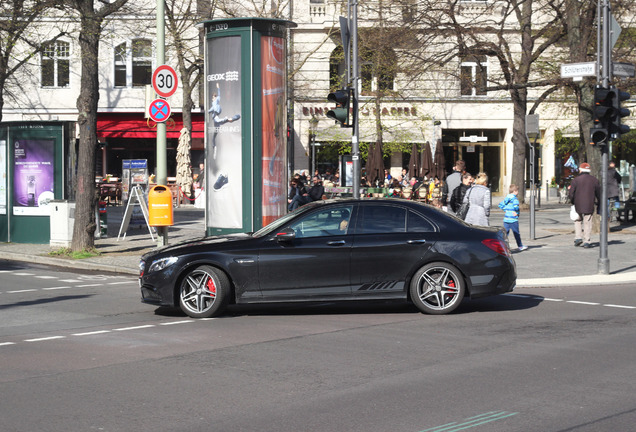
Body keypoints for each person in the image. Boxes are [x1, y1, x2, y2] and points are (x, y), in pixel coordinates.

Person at [568, 162, 600, 248]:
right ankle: (587, 241)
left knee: (577, 220)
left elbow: (571, 193)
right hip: (589, 203)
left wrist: (572, 201)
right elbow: (599, 193)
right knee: (587, 221)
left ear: (580, 169)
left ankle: (578, 237)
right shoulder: (594, 180)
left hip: (577, 204)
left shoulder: (576, 180)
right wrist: (599, 203)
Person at [209, 82, 240, 159]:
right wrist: (218, 87)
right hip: (216, 120)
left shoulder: (215, 102)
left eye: (213, 97)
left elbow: (212, 108)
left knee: (219, 121)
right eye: (213, 97)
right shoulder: (216, 101)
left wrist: (208, 111)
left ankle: (228, 118)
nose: (213, 98)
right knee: (214, 135)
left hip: (216, 118)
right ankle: (214, 147)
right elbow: (219, 95)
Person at [499, 184, 527, 251]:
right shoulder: (515, 199)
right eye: (517, 191)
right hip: (513, 220)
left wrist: (506, 210)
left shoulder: (507, 198)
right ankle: (520, 246)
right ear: (514, 191)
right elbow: (516, 208)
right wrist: (517, 213)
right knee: (516, 233)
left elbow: (500, 205)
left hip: (506, 219)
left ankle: (502, 246)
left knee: (505, 234)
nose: (517, 193)